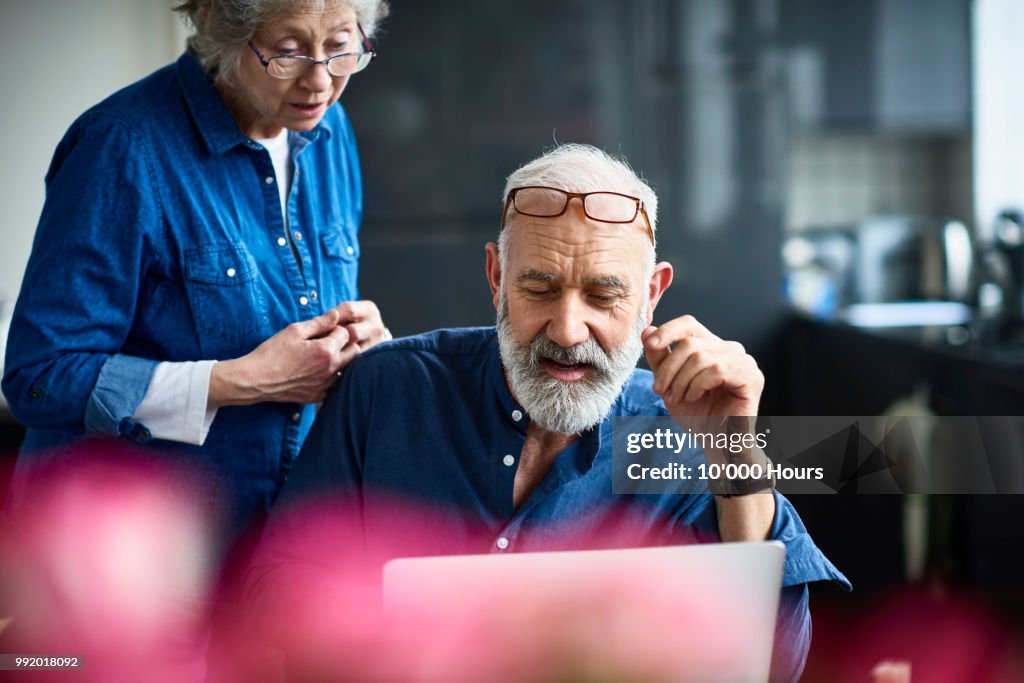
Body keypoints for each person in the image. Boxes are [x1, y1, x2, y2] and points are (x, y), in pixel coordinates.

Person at [248, 143, 849, 682]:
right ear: (496, 278)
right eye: (538, 289)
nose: (566, 330)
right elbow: (276, 596)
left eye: (604, 295)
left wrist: (734, 452)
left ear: (651, 297)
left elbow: (775, 664)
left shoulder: (684, 432)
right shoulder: (386, 390)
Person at [1, 0, 391, 549]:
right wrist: (241, 382)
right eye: (287, 52)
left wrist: (359, 348)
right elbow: (39, 377)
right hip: (135, 557)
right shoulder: (121, 146)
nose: (321, 80)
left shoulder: (329, 130)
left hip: (277, 541)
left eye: (342, 47)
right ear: (216, 22)